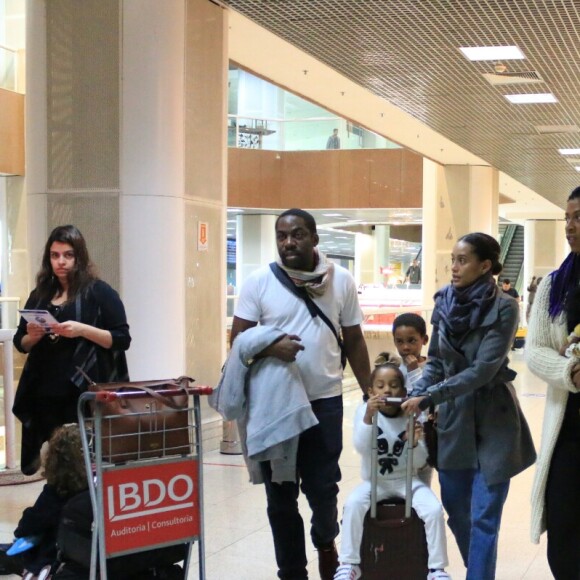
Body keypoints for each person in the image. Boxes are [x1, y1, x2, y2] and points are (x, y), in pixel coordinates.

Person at [230, 208, 371, 580]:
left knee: (323, 489)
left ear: (314, 238)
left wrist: (372, 391)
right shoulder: (259, 282)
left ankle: (326, 540)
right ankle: (291, 571)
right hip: (274, 407)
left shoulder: (340, 281)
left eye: (297, 234)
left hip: (324, 401)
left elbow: (354, 339)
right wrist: (271, 347)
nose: (288, 242)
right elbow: (238, 341)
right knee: (280, 496)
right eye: (281, 235)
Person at [402, 232, 536, 580]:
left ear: (485, 265)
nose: (454, 267)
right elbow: (435, 362)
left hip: (494, 420)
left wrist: (431, 396)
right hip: (454, 422)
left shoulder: (505, 306)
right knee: (458, 512)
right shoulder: (443, 302)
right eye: (453, 260)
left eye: (462, 260)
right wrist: (414, 391)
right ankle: (476, 569)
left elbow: (484, 369)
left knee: (484, 518)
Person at [13, 225, 131, 475]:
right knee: (55, 463)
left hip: (82, 390)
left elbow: (121, 338)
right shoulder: (40, 294)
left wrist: (82, 329)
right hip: (45, 391)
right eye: (55, 256)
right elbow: (19, 342)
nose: (61, 262)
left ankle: (80, 507)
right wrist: (32, 337)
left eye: (67, 255)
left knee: (84, 461)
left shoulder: (99, 292)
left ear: (79, 257)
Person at [334, 362, 450, 580]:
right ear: (370, 392)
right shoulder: (363, 412)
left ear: (404, 392)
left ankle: (436, 569)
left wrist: (415, 443)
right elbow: (361, 447)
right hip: (374, 481)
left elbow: (419, 462)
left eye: (394, 386)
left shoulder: (410, 415)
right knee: (352, 505)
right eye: (380, 386)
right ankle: (349, 563)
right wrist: (368, 417)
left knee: (433, 510)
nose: (387, 391)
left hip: (407, 480)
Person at [526, 185, 580, 579]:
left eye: (578, 218)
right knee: (564, 529)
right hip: (569, 429)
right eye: (567, 218)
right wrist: (569, 371)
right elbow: (536, 350)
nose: (570, 227)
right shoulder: (553, 285)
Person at [0, 424, 88, 578]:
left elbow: (26, 527)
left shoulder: (55, 492)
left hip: (53, 556)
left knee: (17, 548)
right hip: (84, 554)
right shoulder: (93, 489)